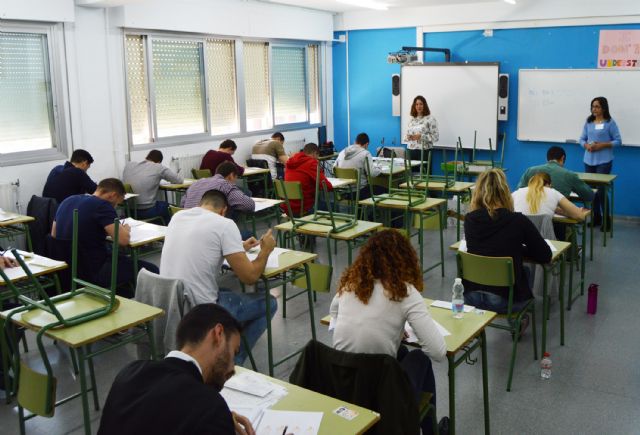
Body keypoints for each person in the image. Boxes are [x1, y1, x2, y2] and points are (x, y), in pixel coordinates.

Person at [330, 229, 446, 435]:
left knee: (401, 352)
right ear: (405, 260)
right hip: (379, 394)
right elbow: (438, 352)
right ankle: (428, 431)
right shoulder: (405, 292)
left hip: (343, 386)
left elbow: (334, 317)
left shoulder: (349, 284)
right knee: (420, 357)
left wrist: (383, 328)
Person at [98, 304, 255, 435]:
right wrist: (220, 421)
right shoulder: (210, 408)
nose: (232, 367)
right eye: (234, 352)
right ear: (218, 334)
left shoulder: (129, 373)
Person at [160, 190, 277, 364]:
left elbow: (204, 246)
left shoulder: (178, 217)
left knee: (226, 291)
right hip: (200, 309)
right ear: (224, 210)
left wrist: (238, 247)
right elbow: (250, 277)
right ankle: (230, 362)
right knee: (270, 303)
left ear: (202, 204)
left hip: (173, 302)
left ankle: (219, 346)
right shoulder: (225, 224)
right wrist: (266, 251)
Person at [464, 169, 552, 313]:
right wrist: (519, 248)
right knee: (525, 272)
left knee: (523, 270)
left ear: (478, 192)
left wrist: (515, 248)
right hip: (503, 300)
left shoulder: (470, 219)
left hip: (470, 296)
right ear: (505, 192)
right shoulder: (518, 221)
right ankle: (520, 319)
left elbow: (488, 247)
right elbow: (545, 255)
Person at [52, 178, 158, 296]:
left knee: (120, 259)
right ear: (112, 195)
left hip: (68, 270)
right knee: (151, 269)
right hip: (94, 270)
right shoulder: (102, 205)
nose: (115, 207)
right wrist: (125, 230)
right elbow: (123, 240)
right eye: (117, 203)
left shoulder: (68, 200)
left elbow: (54, 234)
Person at [579, 96, 621, 230]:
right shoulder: (588, 122)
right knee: (592, 191)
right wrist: (586, 146)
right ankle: (596, 217)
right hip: (589, 160)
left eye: (597, 106)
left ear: (603, 108)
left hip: (604, 161)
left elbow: (618, 141)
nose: (594, 109)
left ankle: (606, 220)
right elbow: (581, 139)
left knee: (602, 191)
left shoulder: (610, 122)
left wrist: (602, 145)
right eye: (592, 106)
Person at [122, 149, 183, 224]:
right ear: (159, 162)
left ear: (147, 157)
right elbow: (179, 180)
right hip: (146, 211)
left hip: (128, 211)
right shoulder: (158, 167)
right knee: (167, 206)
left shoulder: (129, 165)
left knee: (159, 205)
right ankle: (167, 231)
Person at [181, 162, 255, 220]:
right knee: (248, 233)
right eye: (236, 178)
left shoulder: (196, 183)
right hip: (209, 230)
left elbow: (182, 205)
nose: (235, 183)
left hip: (187, 228)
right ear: (231, 175)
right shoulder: (225, 185)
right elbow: (249, 205)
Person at [518, 146, 594, 201]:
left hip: (531, 212)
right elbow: (589, 196)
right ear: (562, 158)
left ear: (547, 158)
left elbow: (519, 191)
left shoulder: (530, 170)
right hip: (559, 214)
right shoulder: (569, 174)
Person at [512, 172, 590, 220]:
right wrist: (562, 211)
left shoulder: (517, 192)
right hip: (545, 242)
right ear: (549, 185)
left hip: (519, 240)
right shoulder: (553, 192)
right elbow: (580, 216)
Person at [282, 142, 333, 216]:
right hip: (304, 208)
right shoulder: (311, 163)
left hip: (288, 208)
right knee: (332, 206)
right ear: (315, 153)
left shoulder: (290, 163)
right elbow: (327, 186)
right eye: (317, 156)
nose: (317, 159)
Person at [333, 132, 381, 199]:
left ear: (355, 141)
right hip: (359, 191)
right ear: (367, 144)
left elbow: (334, 169)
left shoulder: (343, 152)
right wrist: (379, 168)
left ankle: (359, 208)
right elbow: (372, 173)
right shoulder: (365, 153)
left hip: (342, 191)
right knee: (383, 190)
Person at [405, 95, 439, 171]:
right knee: (412, 176)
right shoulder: (411, 119)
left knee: (424, 177)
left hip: (424, 151)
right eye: (416, 104)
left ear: (424, 105)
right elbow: (407, 135)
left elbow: (436, 137)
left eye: (421, 104)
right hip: (411, 150)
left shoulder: (430, 119)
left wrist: (421, 136)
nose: (418, 106)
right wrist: (408, 137)